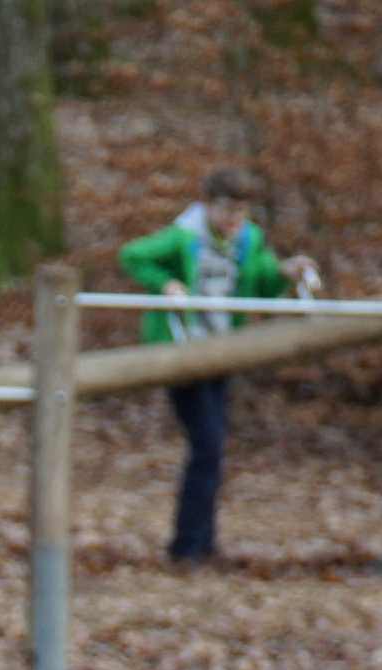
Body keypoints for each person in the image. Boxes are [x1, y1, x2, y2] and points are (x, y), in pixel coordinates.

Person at [118, 169, 317, 565]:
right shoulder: (184, 236)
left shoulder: (248, 240)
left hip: (223, 353)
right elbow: (133, 255)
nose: (232, 219)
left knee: (211, 449)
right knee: (208, 446)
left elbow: (259, 284)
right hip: (183, 354)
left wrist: (283, 271)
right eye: (226, 209)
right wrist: (165, 284)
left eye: (240, 211)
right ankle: (188, 547)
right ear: (208, 204)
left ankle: (202, 543)